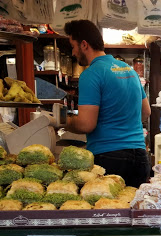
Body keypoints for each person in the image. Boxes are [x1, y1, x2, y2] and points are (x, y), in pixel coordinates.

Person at [64, 19, 151, 188]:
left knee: (106, 213)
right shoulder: (129, 70)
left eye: (73, 46)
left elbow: (86, 124)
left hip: (109, 158)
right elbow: (145, 112)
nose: (73, 53)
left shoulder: (91, 74)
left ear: (84, 45)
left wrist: (62, 122)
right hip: (140, 158)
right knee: (133, 211)